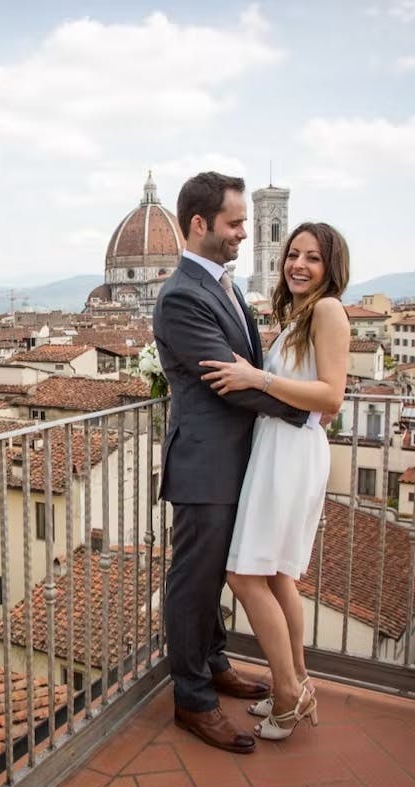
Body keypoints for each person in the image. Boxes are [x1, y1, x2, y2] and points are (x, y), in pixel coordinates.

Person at [152, 172, 310, 754]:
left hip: (235, 461)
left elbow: (247, 366)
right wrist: (305, 410)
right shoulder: (182, 295)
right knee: (193, 583)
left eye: (247, 222)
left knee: (220, 572)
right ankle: (192, 699)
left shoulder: (222, 284)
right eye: (235, 223)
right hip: (205, 465)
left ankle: (214, 662)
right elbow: (229, 380)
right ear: (200, 224)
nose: (244, 232)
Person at [200, 221, 351, 740]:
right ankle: (299, 682)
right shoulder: (300, 316)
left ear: (331, 267)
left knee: (244, 575)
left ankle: (287, 693)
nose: (299, 265)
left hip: (290, 454)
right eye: (293, 254)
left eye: (312, 257)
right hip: (283, 449)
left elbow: (331, 396)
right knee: (278, 575)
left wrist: (256, 377)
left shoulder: (328, 311)